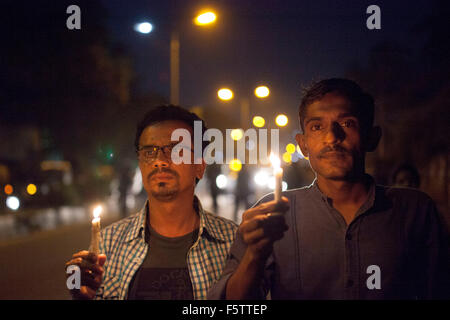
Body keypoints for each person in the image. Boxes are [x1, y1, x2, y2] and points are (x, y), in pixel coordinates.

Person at [208, 78, 449, 300]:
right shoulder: (271, 215)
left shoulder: (414, 211)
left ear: (372, 137)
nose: (332, 137)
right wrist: (254, 254)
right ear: (303, 145)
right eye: (316, 127)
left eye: (347, 123)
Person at [65, 105, 238, 300]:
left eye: (175, 151)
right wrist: (83, 296)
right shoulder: (108, 243)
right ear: (140, 163)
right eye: (149, 152)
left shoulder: (233, 242)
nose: (159, 161)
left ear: (199, 166)